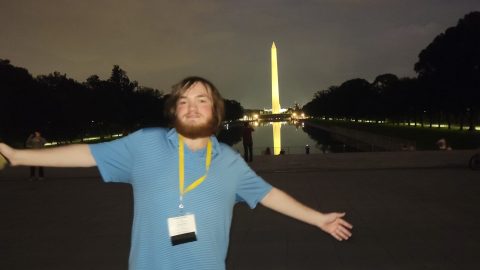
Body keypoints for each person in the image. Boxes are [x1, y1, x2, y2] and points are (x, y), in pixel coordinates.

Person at [0, 76, 352, 270]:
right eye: (183, 100)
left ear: (215, 111)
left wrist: (317, 219)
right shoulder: (144, 144)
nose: (192, 106)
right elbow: (88, 154)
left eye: (202, 99)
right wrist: (16, 155)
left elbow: (269, 194)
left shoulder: (230, 163)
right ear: (174, 111)